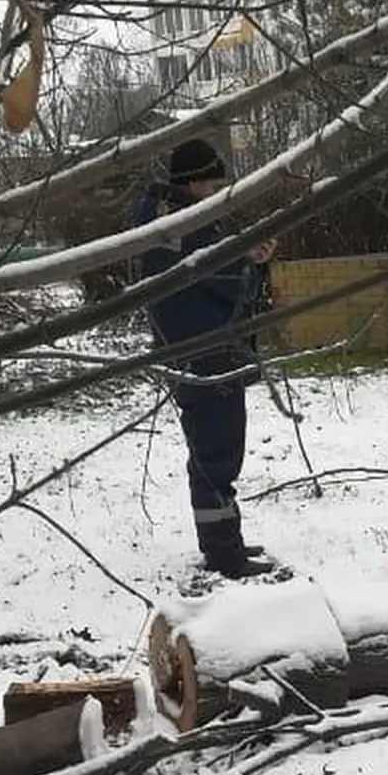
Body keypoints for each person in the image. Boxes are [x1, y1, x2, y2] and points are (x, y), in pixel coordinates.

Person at [131, 137, 278, 579]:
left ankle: (222, 542)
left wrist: (248, 258)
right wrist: (251, 261)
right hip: (205, 355)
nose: (217, 195)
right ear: (191, 183)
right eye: (212, 186)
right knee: (217, 454)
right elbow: (222, 277)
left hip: (200, 353)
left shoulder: (169, 220)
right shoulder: (179, 226)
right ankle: (224, 554)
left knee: (213, 452)